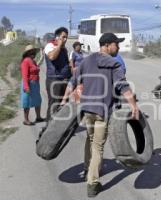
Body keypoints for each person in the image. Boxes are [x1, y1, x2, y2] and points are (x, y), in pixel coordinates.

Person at [61, 32, 139, 197]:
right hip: (101, 112)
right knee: (98, 146)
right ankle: (92, 183)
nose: (118, 47)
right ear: (108, 44)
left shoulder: (86, 60)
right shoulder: (113, 64)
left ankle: (86, 167)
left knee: (90, 140)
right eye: (116, 44)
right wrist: (134, 105)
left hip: (86, 110)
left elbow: (73, 81)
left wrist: (63, 99)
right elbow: (123, 86)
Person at [44, 27, 72, 121]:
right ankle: (48, 128)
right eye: (63, 37)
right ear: (57, 37)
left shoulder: (64, 49)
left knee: (63, 104)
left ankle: (59, 128)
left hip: (64, 80)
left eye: (66, 37)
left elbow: (66, 63)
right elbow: (52, 57)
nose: (65, 39)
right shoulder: (50, 46)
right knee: (54, 104)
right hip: (54, 80)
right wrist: (59, 46)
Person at [20, 45, 45, 125]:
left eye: (33, 52)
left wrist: (42, 54)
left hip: (35, 84)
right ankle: (26, 120)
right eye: (31, 52)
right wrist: (26, 86)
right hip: (29, 84)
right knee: (27, 102)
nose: (33, 53)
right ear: (27, 53)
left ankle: (38, 117)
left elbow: (39, 63)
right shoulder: (26, 61)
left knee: (38, 100)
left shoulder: (32, 61)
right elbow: (24, 75)